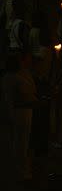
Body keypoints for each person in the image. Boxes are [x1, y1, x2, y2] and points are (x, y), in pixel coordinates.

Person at [2, 51, 38, 181]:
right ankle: (22, 172)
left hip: (17, 112)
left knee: (17, 141)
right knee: (21, 143)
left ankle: (18, 169)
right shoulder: (16, 78)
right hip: (21, 113)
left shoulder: (9, 77)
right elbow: (29, 93)